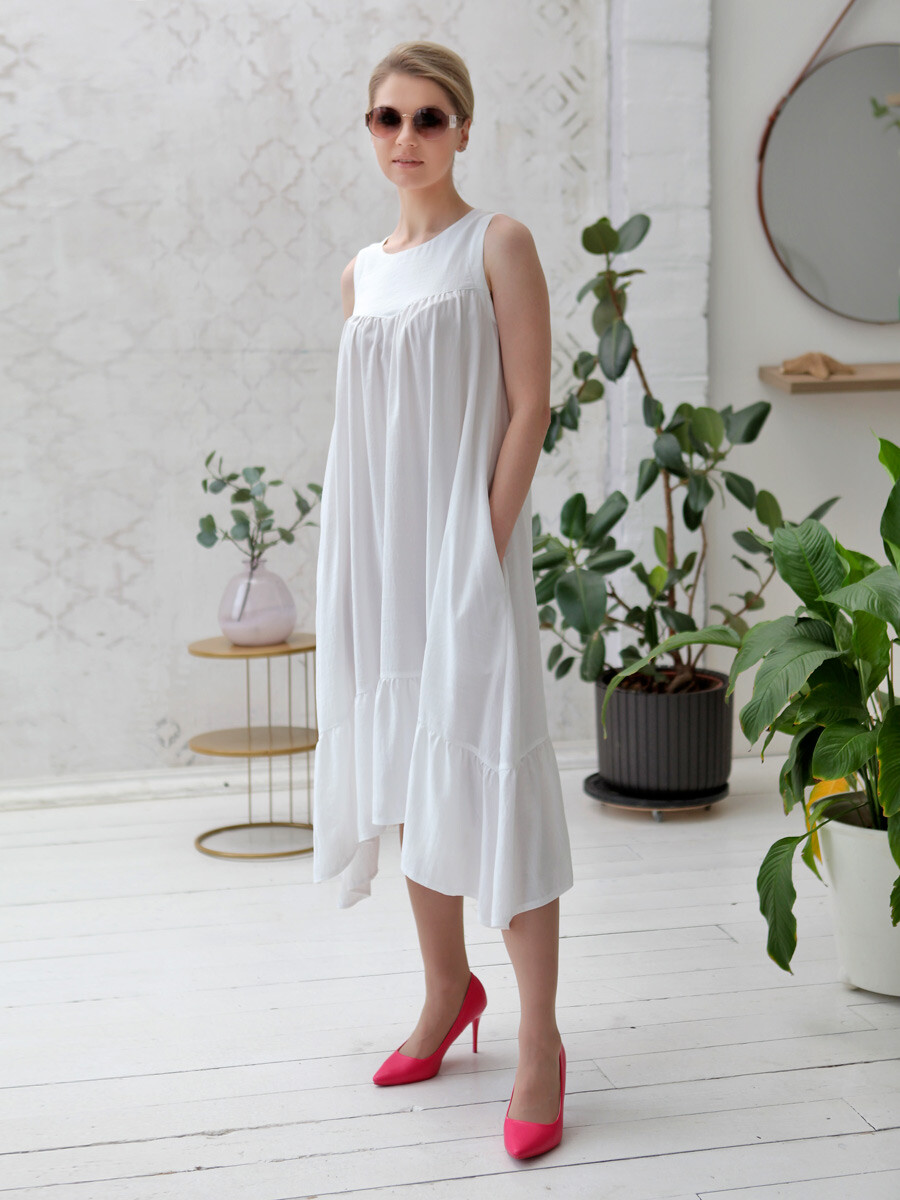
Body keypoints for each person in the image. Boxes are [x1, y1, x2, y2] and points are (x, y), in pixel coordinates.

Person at [312, 40, 574, 1160]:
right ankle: (443, 994)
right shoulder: (360, 275)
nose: (406, 137)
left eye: (428, 117)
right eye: (388, 118)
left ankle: (539, 1043)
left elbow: (529, 404)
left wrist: (482, 548)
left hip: (466, 549)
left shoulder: (496, 244)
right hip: (379, 556)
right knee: (408, 771)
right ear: (370, 132)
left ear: (464, 128)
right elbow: (367, 438)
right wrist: (359, 563)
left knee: (491, 768)